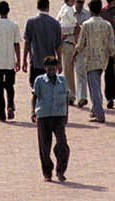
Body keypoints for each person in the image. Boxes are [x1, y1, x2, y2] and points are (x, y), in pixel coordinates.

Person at [32, 54, 72, 182]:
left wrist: (66, 114)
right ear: (45, 68)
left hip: (59, 116)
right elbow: (35, 97)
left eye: (53, 69)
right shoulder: (39, 80)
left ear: (57, 68)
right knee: (44, 146)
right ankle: (47, 172)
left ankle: (61, 171)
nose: (51, 71)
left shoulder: (63, 81)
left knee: (62, 144)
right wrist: (33, 112)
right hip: (44, 116)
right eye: (49, 69)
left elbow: (66, 97)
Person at [74, 0, 115, 122]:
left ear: (90, 10)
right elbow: (112, 45)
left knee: (94, 87)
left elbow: (81, 44)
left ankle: (99, 114)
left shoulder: (86, 25)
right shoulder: (107, 24)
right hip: (103, 60)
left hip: (91, 60)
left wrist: (74, 54)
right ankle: (94, 110)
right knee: (95, 85)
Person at [23, 0, 62, 114]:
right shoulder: (55, 23)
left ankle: (34, 111)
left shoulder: (31, 22)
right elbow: (58, 46)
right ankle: (48, 110)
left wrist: (24, 59)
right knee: (50, 87)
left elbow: (27, 42)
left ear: (37, 7)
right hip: (51, 63)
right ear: (48, 7)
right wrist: (59, 62)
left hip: (36, 61)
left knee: (36, 89)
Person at [56, 0, 84, 104]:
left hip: (74, 44)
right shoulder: (68, 10)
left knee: (80, 71)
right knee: (68, 71)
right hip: (68, 43)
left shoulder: (64, 9)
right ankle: (71, 95)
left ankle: (81, 96)